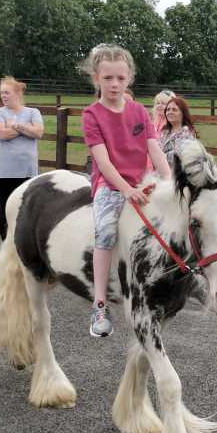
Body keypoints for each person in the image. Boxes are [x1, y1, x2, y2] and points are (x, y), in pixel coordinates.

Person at [79, 44, 172, 338]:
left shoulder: (139, 112)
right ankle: (100, 303)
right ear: (96, 78)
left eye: (120, 77)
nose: (115, 84)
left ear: (129, 77)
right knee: (105, 232)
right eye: (108, 78)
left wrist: (169, 181)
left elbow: (155, 151)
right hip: (111, 186)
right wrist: (126, 190)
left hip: (143, 181)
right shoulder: (91, 115)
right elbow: (103, 162)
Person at [0, 76, 44, 240]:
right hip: (4, 171)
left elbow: (39, 133)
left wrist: (16, 125)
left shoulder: (33, 112)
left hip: (28, 170)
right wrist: (27, 128)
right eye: (1, 93)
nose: (3, 96)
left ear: (17, 93)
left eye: (7, 92)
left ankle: (23, 243)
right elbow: (2, 134)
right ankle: (7, 242)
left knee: (27, 209)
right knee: (6, 207)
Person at [158, 96, 198, 166]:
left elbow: (180, 156)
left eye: (174, 110)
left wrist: (158, 157)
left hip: (177, 173)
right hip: (160, 171)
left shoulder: (187, 134)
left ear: (183, 113)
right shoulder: (164, 131)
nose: (170, 112)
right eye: (168, 109)